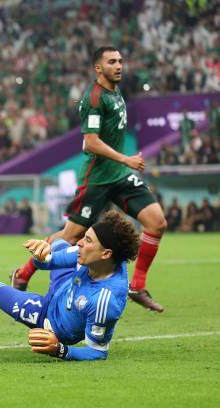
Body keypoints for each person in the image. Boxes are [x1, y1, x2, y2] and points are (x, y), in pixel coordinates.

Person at [11, 46, 167, 313]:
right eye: (112, 62)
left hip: (120, 175)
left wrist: (123, 164)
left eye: (120, 61)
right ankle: (23, 273)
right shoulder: (94, 98)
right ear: (98, 68)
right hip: (97, 179)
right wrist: (126, 159)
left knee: (157, 222)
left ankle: (137, 287)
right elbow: (91, 143)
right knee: (70, 236)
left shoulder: (115, 92)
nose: (119, 66)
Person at [0, 210, 139, 361]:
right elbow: (49, 262)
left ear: (106, 253)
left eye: (87, 240)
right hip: (64, 288)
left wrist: (60, 349)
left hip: (50, 319)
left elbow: (97, 353)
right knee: (58, 243)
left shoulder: (105, 301)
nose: (79, 243)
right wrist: (41, 253)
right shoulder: (88, 256)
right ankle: (21, 276)